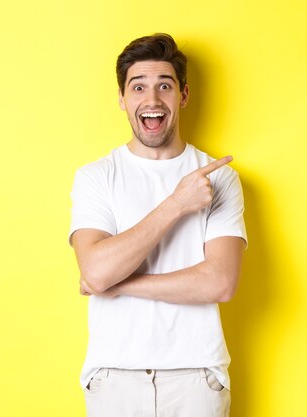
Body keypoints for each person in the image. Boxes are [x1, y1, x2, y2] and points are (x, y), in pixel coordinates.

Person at [69, 33, 247, 417]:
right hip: (114, 376)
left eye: (164, 86)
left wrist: (120, 284)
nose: (152, 100)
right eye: (138, 88)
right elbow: (97, 271)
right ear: (122, 98)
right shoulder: (96, 177)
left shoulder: (218, 177)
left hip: (197, 375)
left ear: (182, 96)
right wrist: (176, 204)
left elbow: (220, 282)